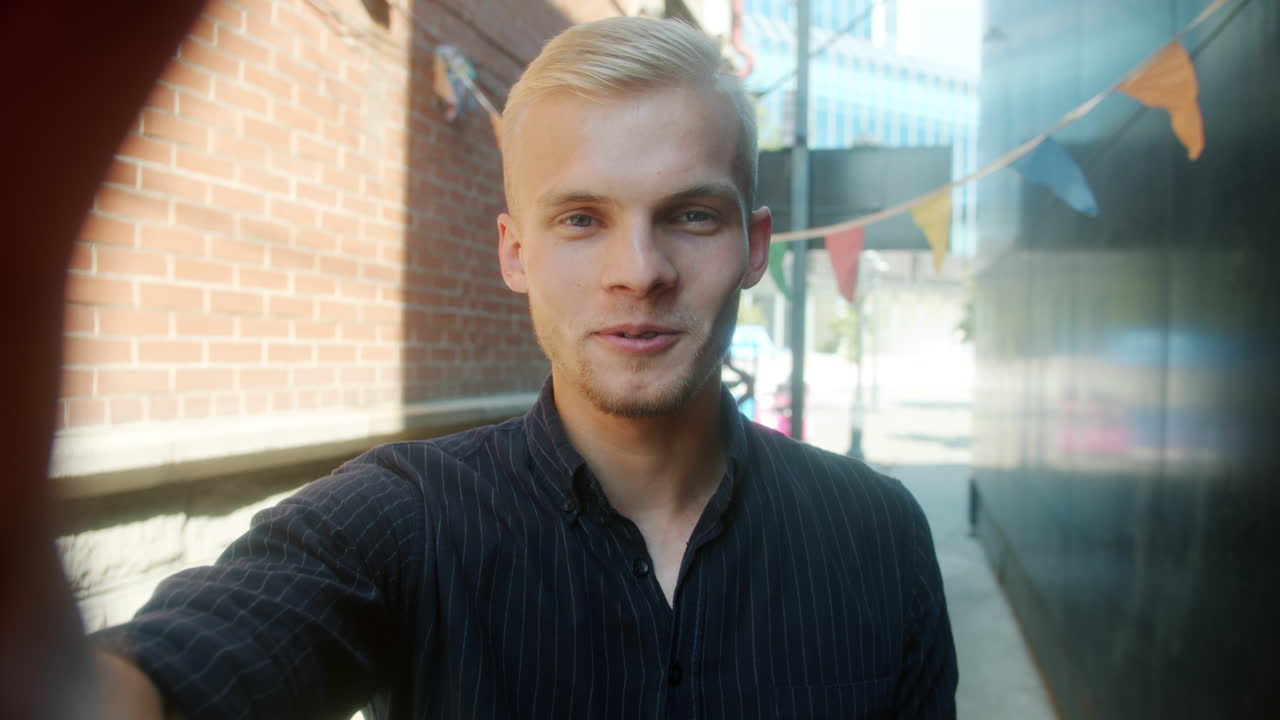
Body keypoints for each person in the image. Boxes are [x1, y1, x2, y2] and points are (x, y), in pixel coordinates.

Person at [95, 16, 957, 719]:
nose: (639, 272)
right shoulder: (405, 522)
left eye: (691, 215)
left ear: (754, 246)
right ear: (515, 253)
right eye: (581, 219)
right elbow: (193, 659)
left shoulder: (878, 536)